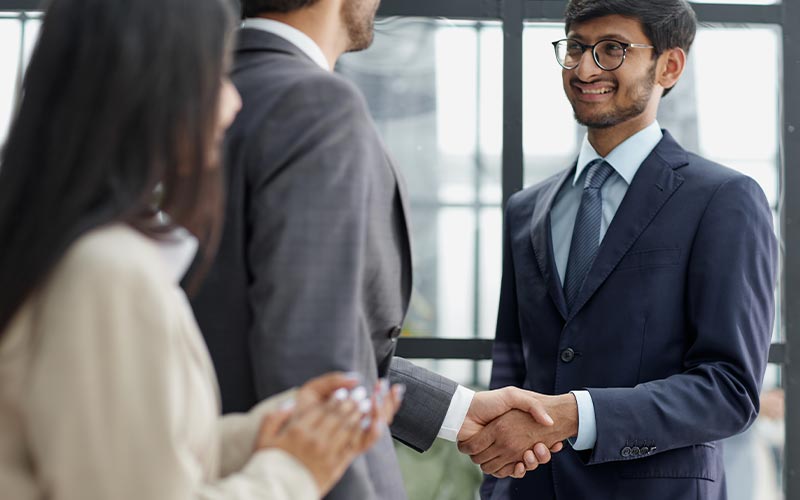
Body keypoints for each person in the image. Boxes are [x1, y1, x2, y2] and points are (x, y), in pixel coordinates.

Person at [0, 0, 404, 498]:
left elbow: (139, 454)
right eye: (215, 73)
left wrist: (272, 431)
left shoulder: (74, 251)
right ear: (155, 86)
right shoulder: (109, 271)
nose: (233, 102)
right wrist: (296, 471)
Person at [188, 0, 559, 498]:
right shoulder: (315, 105)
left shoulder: (195, 96)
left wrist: (458, 411)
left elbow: (258, 327)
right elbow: (312, 361)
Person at [457, 1, 779, 499]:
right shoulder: (527, 208)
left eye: (612, 50)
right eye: (576, 48)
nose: (586, 68)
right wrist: (496, 484)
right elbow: (512, 368)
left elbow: (729, 391)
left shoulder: (723, 200)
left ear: (668, 66)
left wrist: (574, 414)